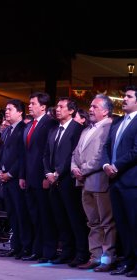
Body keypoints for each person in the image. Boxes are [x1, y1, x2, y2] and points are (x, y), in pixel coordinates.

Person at [71, 94, 116, 271]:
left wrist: (83, 170)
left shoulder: (109, 127)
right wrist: (74, 168)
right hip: (84, 182)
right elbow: (75, 153)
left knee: (106, 222)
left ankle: (108, 257)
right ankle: (95, 255)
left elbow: (101, 156)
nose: (90, 109)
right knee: (92, 222)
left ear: (105, 111)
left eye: (94, 107)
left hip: (99, 180)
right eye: (90, 106)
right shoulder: (86, 129)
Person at [43, 97, 88, 267]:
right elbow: (46, 154)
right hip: (53, 181)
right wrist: (48, 172)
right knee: (60, 218)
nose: (57, 109)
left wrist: (57, 173)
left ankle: (81, 253)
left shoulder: (77, 129)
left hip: (68, 180)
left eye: (62, 107)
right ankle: (67, 251)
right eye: (57, 106)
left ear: (71, 111)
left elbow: (73, 154)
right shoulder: (54, 129)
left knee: (74, 218)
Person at [102, 85, 137, 277]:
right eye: (124, 96)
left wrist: (116, 166)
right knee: (122, 224)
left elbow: (136, 150)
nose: (124, 99)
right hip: (114, 181)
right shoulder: (117, 123)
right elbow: (107, 147)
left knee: (134, 224)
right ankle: (128, 262)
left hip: (131, 181)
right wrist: (107, 164)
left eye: (129, 97)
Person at [20, 92, 58, 263]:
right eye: (29, 103)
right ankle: (37, 249)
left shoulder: (50, 123)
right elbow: (25, 153)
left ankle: (48, 251)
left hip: (41, 177)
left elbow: (48, 152)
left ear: (43, 106)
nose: (29, 106)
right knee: (34, 215)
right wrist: (22, 175)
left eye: (33, 103)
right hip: (28, 177)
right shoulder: (29, 126)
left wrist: (46, 174)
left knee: (45, 216)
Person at [0, 99, 32, 259]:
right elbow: (2, 153)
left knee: (21, 214)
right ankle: (15, 245)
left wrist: (10, 173)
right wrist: (0, 170)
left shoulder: (23, 129)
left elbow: (22, 156)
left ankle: (25, 246)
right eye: (6, 109)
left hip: (17, 178)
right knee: (11, 213)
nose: (7, 112)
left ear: (19, 112)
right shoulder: (6, 130)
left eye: (10, 109)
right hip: (5, 178)